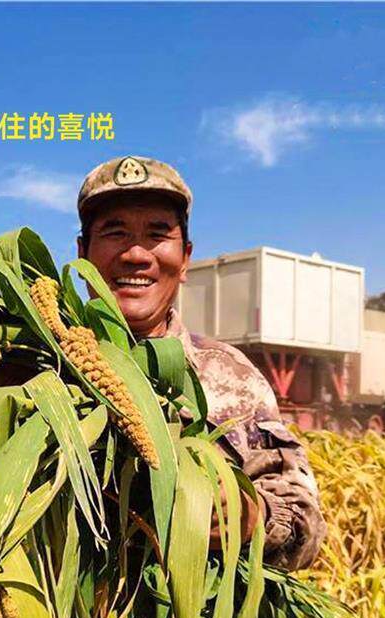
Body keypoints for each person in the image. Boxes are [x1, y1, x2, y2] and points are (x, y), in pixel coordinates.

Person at [76, 156, 326, 569]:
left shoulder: (234, 377)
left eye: (158, 235)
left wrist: (250, 517)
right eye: (115, 232)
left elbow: (307, 528)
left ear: (185, 258)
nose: (136, 254)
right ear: (82, 252)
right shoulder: (38, 369)